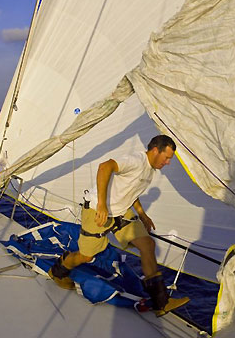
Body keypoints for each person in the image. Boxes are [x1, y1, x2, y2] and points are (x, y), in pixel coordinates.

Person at [48, 135, 189, 316]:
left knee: (147, 245)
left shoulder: (150, 170)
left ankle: (161, 302)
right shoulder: (137, 160)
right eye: (166, 157)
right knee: (86, 256)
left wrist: (142, 214)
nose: (168, 162)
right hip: (97, 211)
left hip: (121, 213)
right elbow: (105, 166)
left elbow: (132, 191)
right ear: (155, 150)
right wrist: (101, 204)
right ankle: (58, 272)